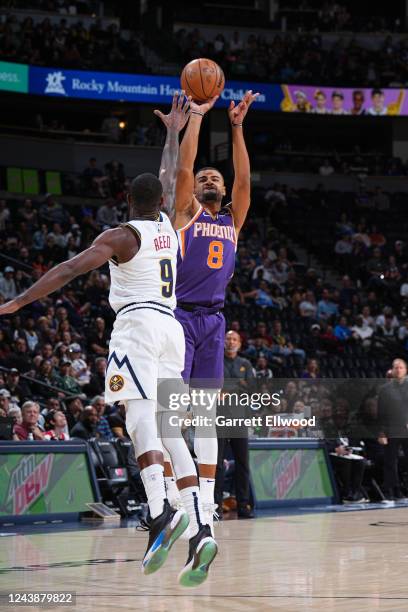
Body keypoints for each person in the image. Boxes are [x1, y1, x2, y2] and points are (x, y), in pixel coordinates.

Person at [0, 169, 217, 585]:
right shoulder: (170, 228)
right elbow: (170, 175)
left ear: (126, 199)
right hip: (173, 332)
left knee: (139, 422)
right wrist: (173, 130)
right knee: (172, 432)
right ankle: (200, 528)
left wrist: (20, 301)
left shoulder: (121, 237)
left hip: (137, 327)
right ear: (160, 201)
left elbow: (70, 268)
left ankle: (160, 512)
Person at [156, 88, 258, 532]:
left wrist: (236, 127)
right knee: (170, 412)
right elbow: (183, 166)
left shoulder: (232, 221)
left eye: (215, 177)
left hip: (214, 321)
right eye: (205, 178)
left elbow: (244, 181)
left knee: (206, 415)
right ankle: (169, 498)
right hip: (178, 317)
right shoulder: (185, 215)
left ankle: (208, 504)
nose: (211, 180)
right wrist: (196, 117)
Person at [215, 331, 254, 518]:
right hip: (219, 417)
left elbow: (251, 390)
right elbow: (214, 386)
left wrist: (230, 389)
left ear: (240, 343)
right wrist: (237, 385)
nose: (231, 342)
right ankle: (215, 506)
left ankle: (243, 505)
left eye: (234, 339)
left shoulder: (245, 364)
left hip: (239, 418)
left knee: (243, 463)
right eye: (228, 339)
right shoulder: (216, 360)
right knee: (217, 464)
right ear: (223, 341)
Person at [377, 358, 408, 500]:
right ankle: (392, 491)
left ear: (406, 370)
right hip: (391, 429)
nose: (398, 370)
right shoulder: (385, 389)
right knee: (391, 462)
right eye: (396, 367)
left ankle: (404, 488)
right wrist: (381, 432)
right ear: (392, 370)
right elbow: (381, 412)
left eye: (401, 367)